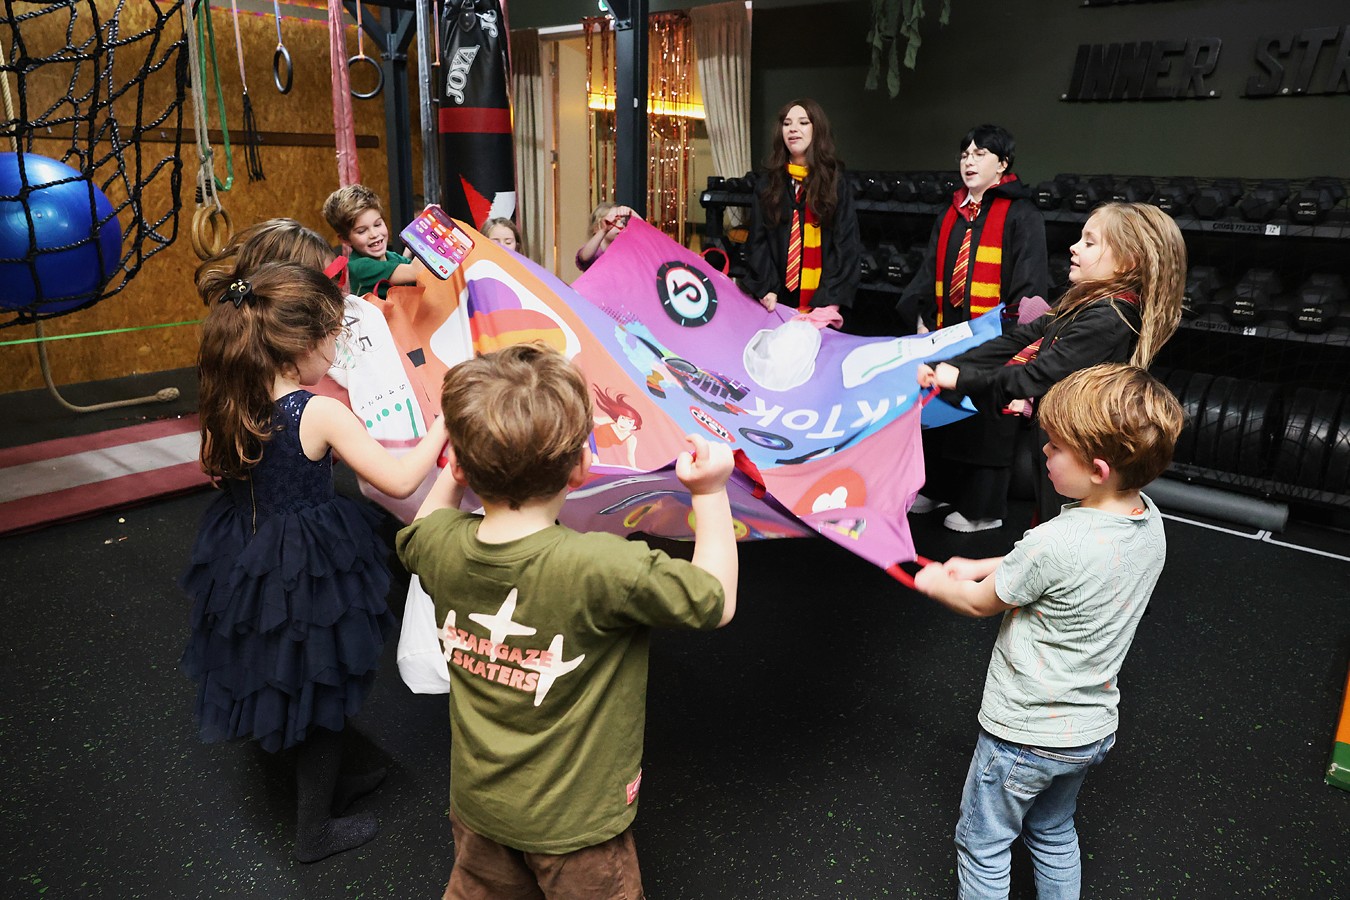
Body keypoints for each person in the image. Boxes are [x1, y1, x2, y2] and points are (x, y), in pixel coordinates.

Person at [395, 342, 739, 899]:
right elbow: (716, 600)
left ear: (457, 462)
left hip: (480, 810)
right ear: (580, 468)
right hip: (577, 829)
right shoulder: (604, 566)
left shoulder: (436, 546)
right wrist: (711, 492)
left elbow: (421, 528)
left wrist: (455, 470)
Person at [180, 261, 449, 863]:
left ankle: (341, 780)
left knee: (288, 670)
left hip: (248, 548)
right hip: (307, 559)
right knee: (322, 690)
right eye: (334, 338)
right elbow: (403, 479)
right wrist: (443, 426)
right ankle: (314, 833)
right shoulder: (315, 411)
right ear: (302, 345)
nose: (339, 349)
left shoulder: (233, 397)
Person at [912, 362, 1184, 900]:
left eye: (1055, 447)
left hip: (1023, 737)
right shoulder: (1147, 520)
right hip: (1088, 731)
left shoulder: (1052, 541)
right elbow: (1058, 571)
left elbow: (980, 605)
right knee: (1054, 830)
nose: (1043, 453)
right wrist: (987, 562)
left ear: (1098, 469)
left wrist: (937, 584)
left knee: (984, 844)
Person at [918, 201, 1185, 526]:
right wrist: (947, 363)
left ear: (1126, 263)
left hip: (1081, 444)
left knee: (1062, 521)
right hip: (1061, 431)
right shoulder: (1084, 300)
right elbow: (1017, 338)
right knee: (1050, 518)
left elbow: (1036, 375)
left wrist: (959, 379)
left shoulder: (1108, 317)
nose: (1074, 248)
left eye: (1090, 242)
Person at [902, 124, 1049, 533]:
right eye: (965, 153)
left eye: (981, 153)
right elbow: (930, 268)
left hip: (995, 336)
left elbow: (1030, 283)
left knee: (986, 419)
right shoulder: (952, 213)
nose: (969, 160)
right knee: (941, 410)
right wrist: (922, 317)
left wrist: (1014, 339)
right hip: (949, 331)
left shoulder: (1023, 214)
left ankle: (984, 510)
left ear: (1003, 164)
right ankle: (939, 487)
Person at [742, 97, 860, 326]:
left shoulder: (834, 183)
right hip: (775, 302)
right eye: (787, 123)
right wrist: (768, 288)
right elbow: (757, 242)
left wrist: (827, 304)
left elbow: (846, 246)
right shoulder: (768, 184)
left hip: (822, 304)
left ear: (818, 130)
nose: (793, 129)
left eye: (803, 122)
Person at [322, 183, 418, 297]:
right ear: (345, 239)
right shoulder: (361, 266)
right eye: (362, 231)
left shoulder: (391, 257)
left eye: (377, 224)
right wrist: (427, 230)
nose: (374, 234)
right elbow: (417, 271)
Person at [575, 201, 635, 273]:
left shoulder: (625, 251)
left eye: (622, 222)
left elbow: (649, 240)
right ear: (597, 228)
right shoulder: (595, 252)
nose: (620, 226)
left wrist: (632, 212)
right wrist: (603, 230)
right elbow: (584, 257)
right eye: (613, 221)